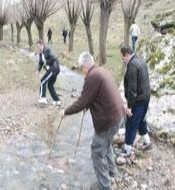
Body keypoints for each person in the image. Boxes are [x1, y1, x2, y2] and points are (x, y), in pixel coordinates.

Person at [61, 52, 125, 190]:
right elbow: (97, 96)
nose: (81, 71)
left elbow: (81, 102)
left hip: (109, 121)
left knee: (96, 150)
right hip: (119, 116)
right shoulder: (101, 70)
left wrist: (65, 112)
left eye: (80, 68)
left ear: (85, 66)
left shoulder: (92, 76)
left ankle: (104, 185)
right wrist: (88, 104)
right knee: (106, 145)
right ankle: (112, 173)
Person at [120, 46, 152, 157]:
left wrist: (129, 106)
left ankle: (127, 149)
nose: (123, 60)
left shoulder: (132, 66)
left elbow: (132, 88)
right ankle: (147, 142)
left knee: (131, 123)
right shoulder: (141, 61)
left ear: (126, 55)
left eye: (123, 58)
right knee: (141, 120)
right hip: (146, 97)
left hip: (138, 100)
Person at [36, 40, 61, 105]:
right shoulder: (41, 53)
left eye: (39, 47)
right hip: (52, 69)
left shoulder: (48, 49)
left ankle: (43, 98)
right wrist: (38, 70)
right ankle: (57, 101)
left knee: (43, 81)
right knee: (50, 85)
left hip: (54, 68)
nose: (38, 48)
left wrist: (46, 62)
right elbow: (40, 62)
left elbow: (54, 57)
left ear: (42, 45)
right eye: (37, 47)